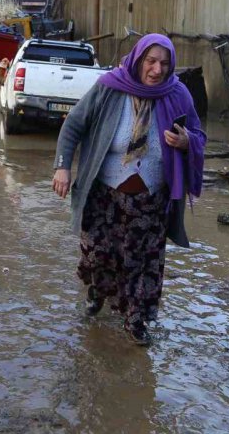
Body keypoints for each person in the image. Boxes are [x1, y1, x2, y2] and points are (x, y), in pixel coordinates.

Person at [52, 34, 205, 345]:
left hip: (150, 200)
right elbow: (73, 126)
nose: (157, 69)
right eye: (151, 61)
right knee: (98, 256)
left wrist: (188, 141)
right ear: (138, 60)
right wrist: (63, 166)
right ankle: (96, 293)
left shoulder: (178, 94)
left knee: (139, 262)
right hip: (104, 194)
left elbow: (200, 134)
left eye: (164, 63)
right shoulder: (110, 87)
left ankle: (135, 320)